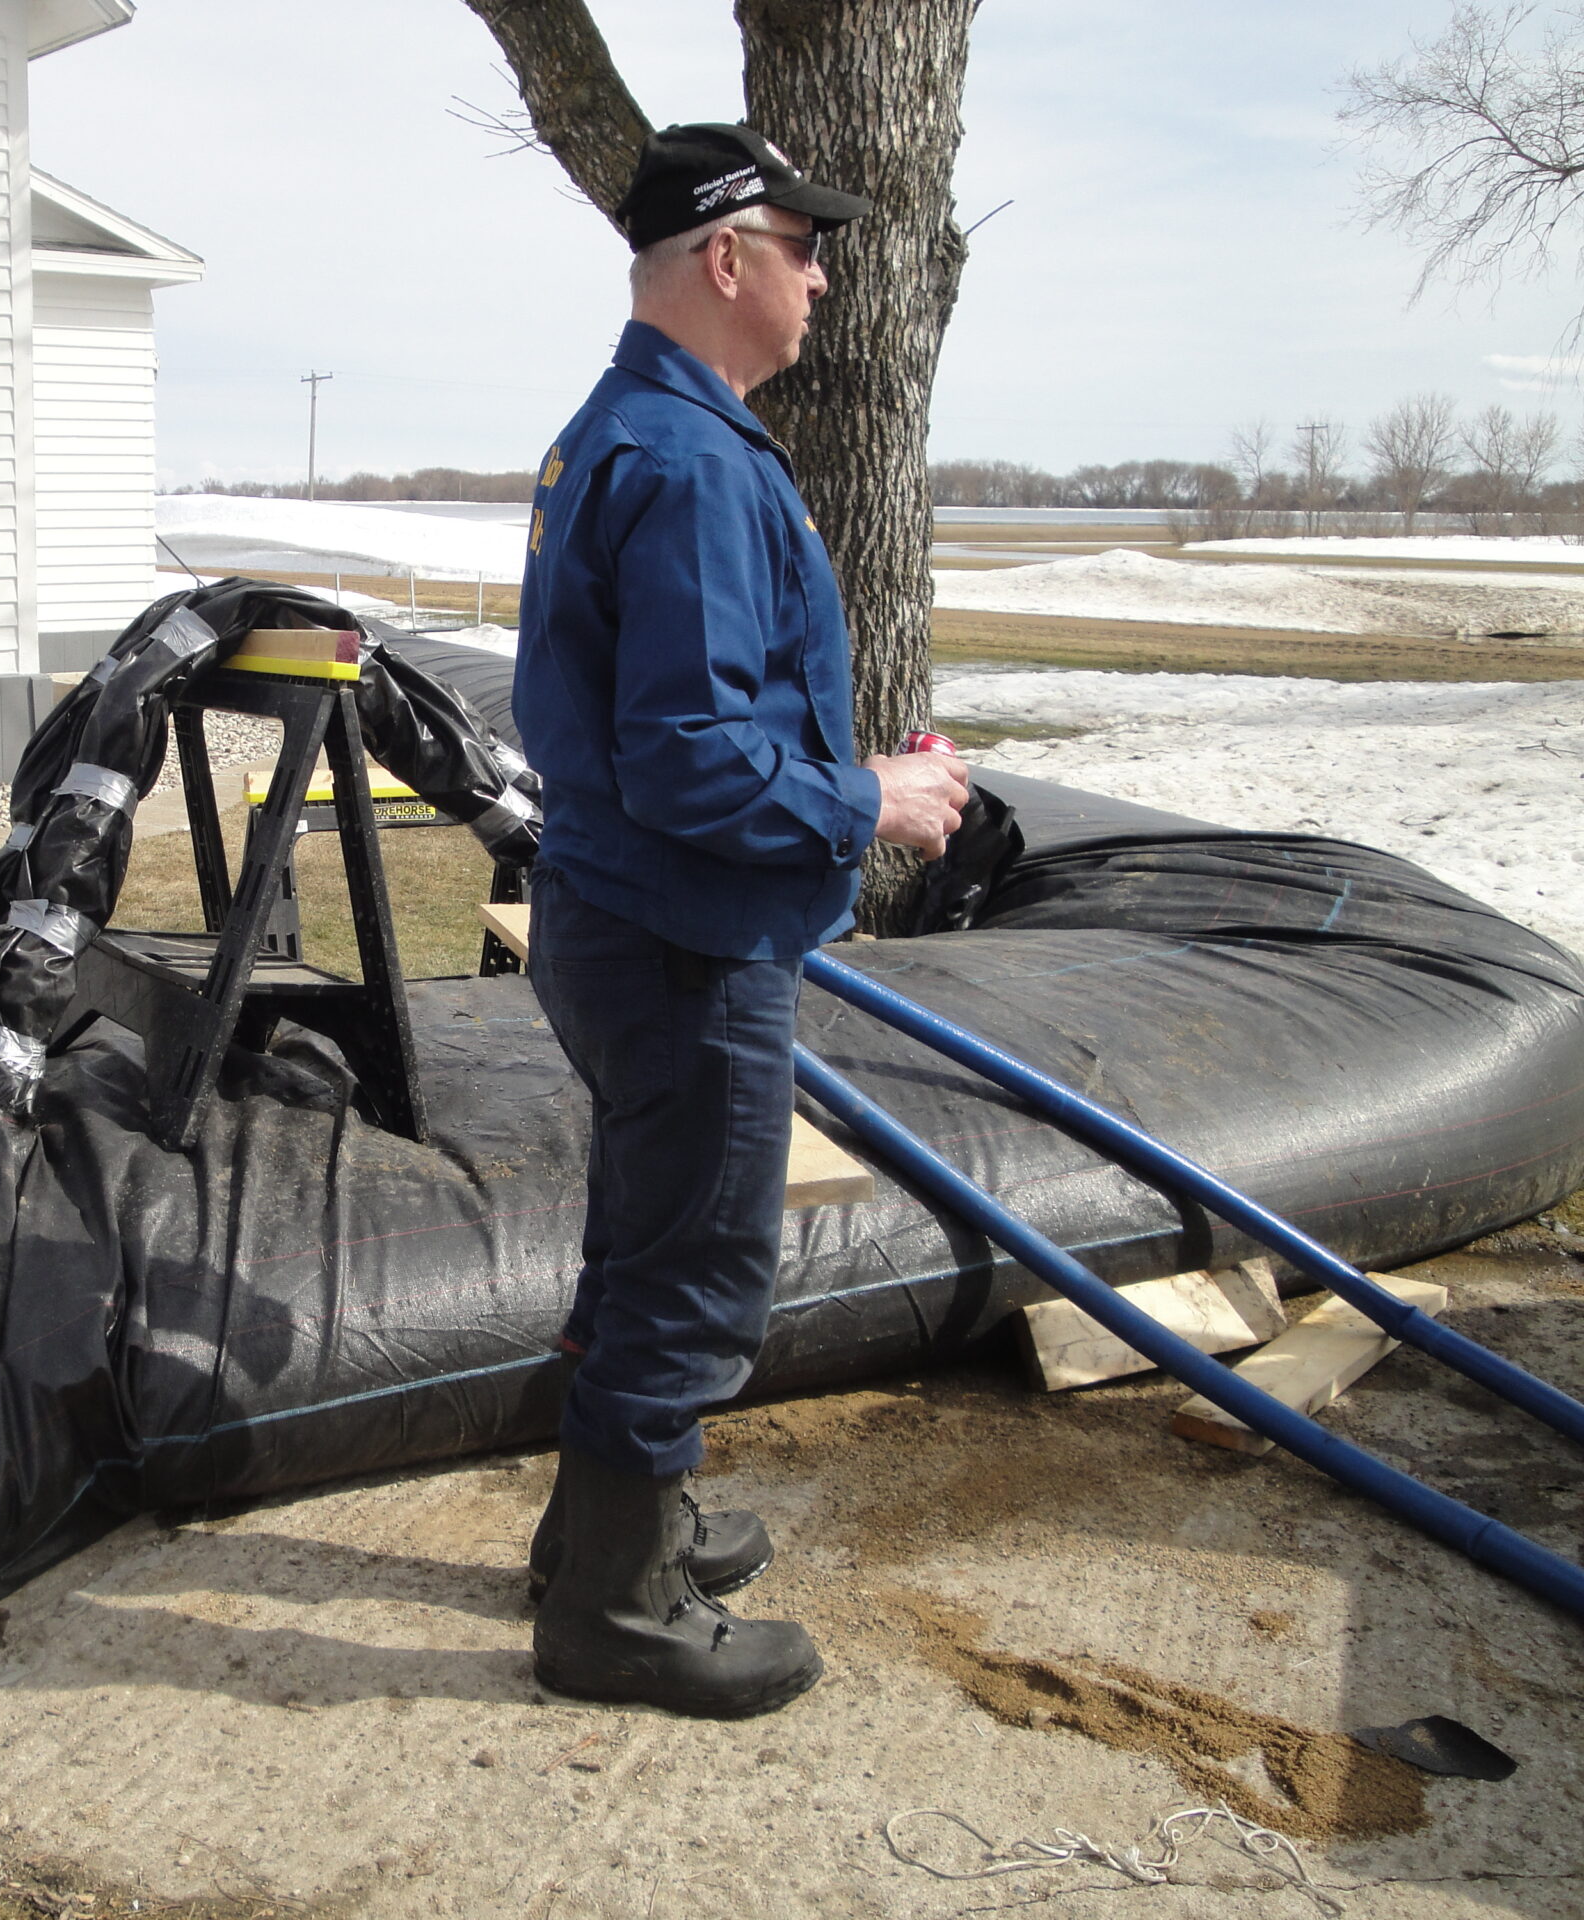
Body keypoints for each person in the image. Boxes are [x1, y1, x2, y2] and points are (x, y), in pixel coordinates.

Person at [513, 123, 970, 1719]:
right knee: (695, 1273)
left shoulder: (620, 432)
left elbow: (677, 725)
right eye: (803, 245)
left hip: (616, 915)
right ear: (726, 258)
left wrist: (848, 775)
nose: (823, 273)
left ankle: (599, 1543)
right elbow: (696, 757)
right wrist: (876, 806)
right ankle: (615, 1621)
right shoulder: (695, 459)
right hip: (686, 942)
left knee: (638, 1245)